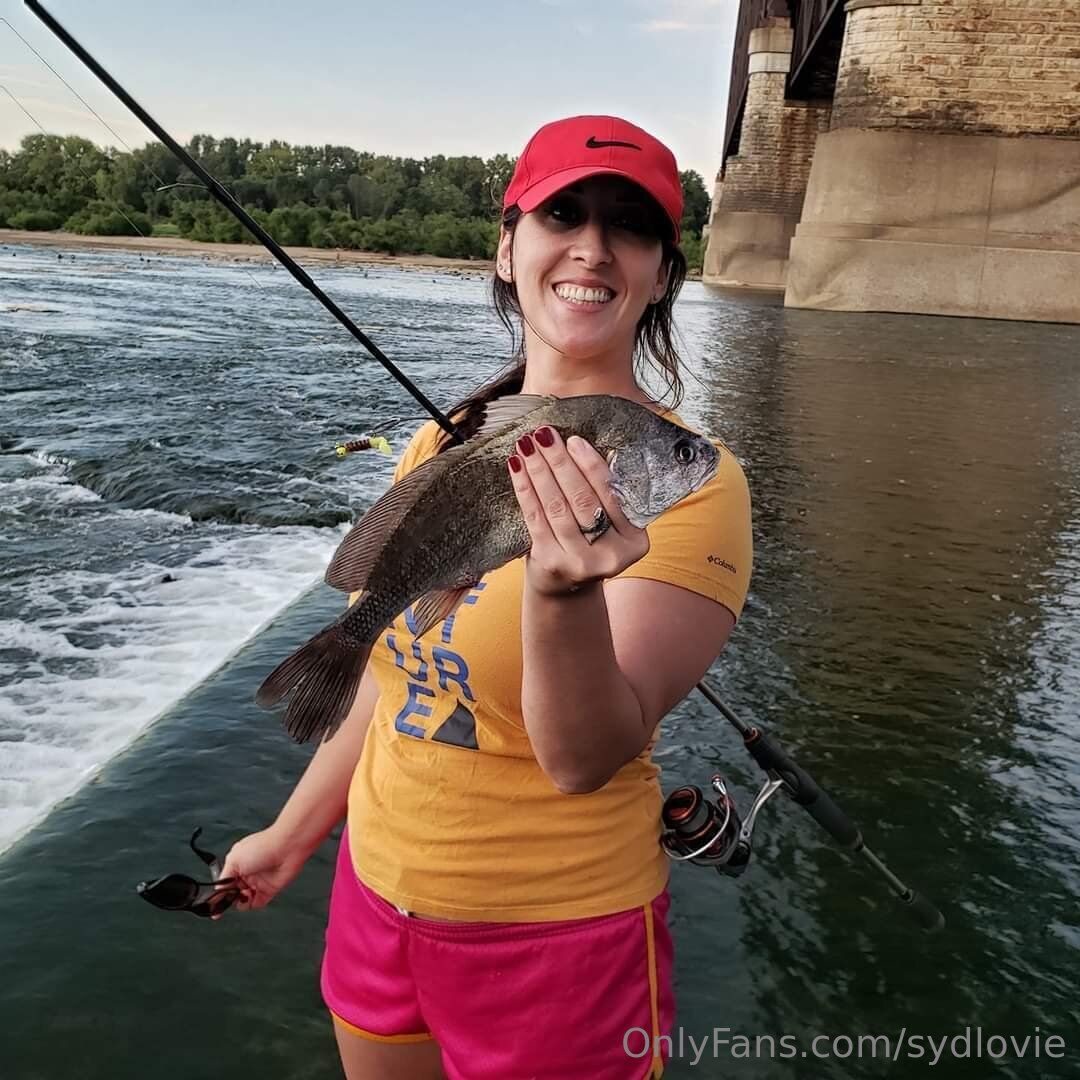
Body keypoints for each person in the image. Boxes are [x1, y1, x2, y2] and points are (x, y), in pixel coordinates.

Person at [219, 115, 753, 1080]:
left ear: (662, 274)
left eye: (630, 226)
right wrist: (289, 837)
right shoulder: (446, 443)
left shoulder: (699, 487)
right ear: (508, 248)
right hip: (377, 894)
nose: (593, 246)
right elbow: (390, 679)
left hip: (557, 938)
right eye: (563, 214)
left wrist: (560, 594)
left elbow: (583, 759)